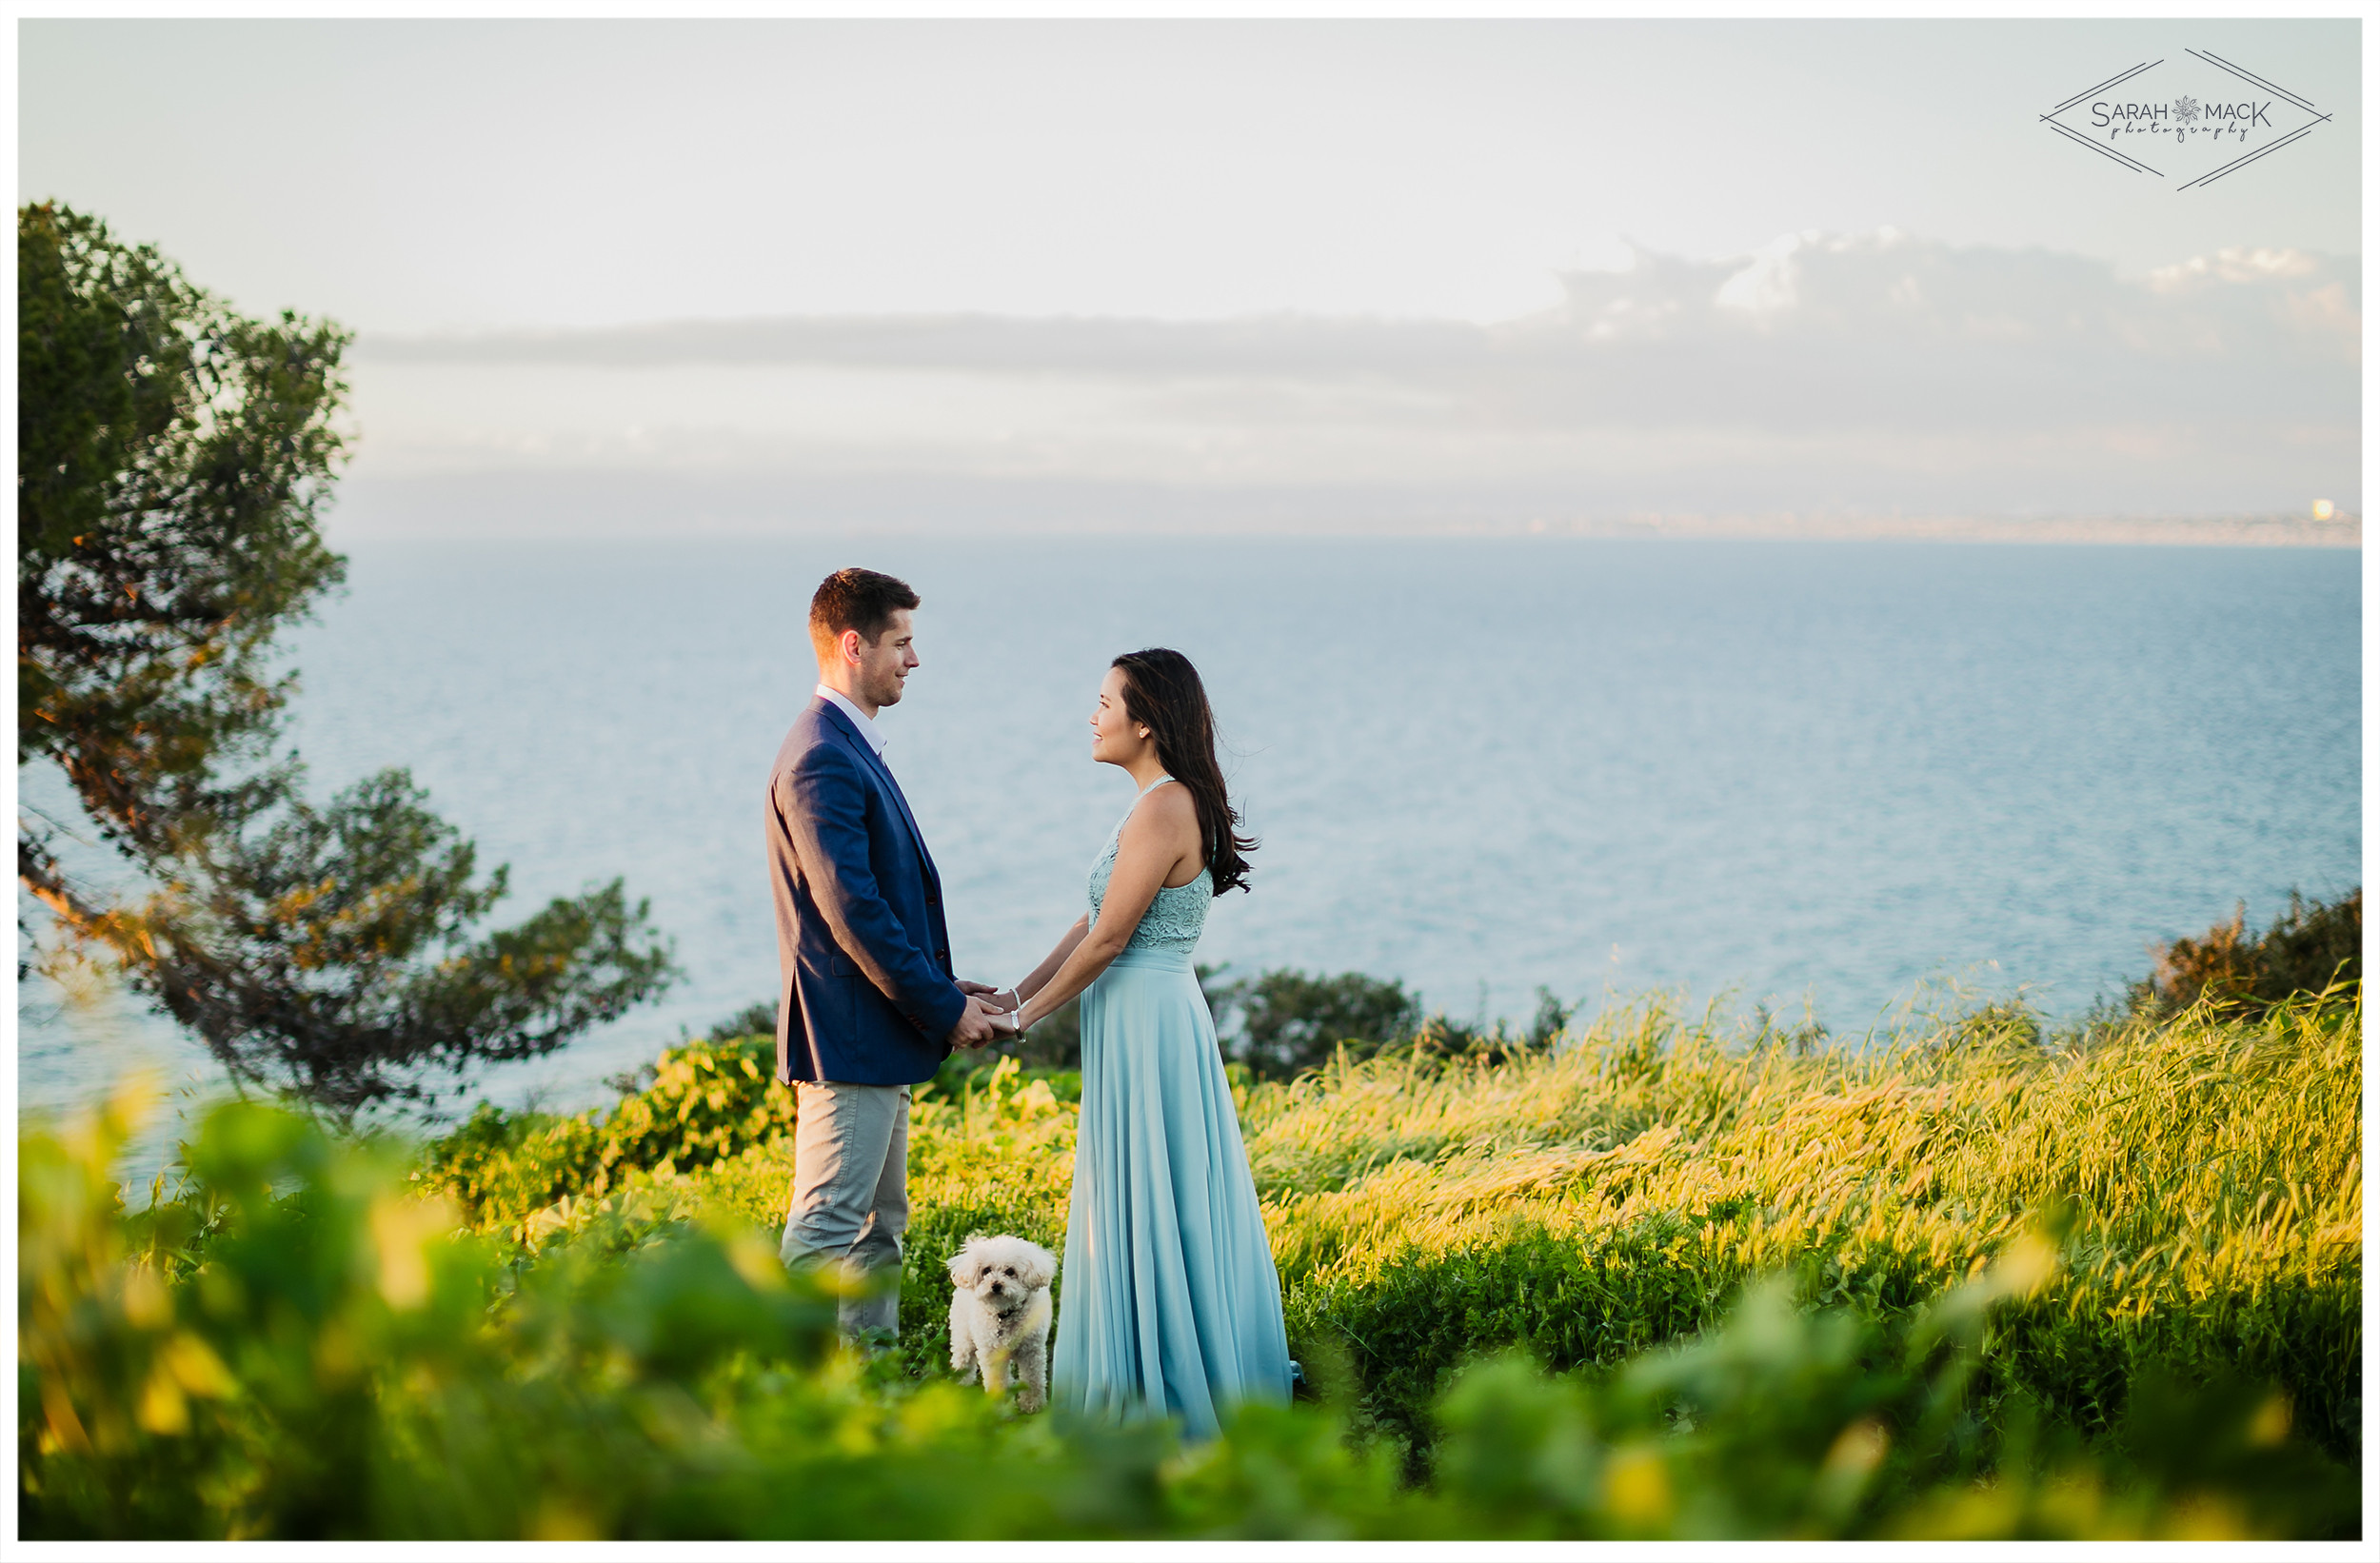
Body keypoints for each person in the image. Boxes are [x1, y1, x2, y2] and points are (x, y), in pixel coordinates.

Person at [986, 648, 1294, 1438]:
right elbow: (1090, 924)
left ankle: (1166, 1394)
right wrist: (1012, 993)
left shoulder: (1163, 808)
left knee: (1164, 1197)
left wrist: (1024, 1023)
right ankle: (1151, 1365)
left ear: (1145, 720)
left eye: (1103, 702)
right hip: (1136, 1017)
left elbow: (1110, 940)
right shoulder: (1151, 804)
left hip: (1150, 1021)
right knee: (1145, 1194)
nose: (1091, 717)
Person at [766, 566, 1005, 1344]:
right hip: (852, 1040)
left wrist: (941, 984)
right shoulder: (820, 756)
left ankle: (870, 1393)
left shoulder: (844, 742)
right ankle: (783, 1411)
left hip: (880, 1035)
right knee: (825, 1234)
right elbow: (852, 912)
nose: (913, 659)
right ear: (852, 644)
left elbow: (875, 900)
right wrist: (942, 1008)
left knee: (878, 1231)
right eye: (902, 642)